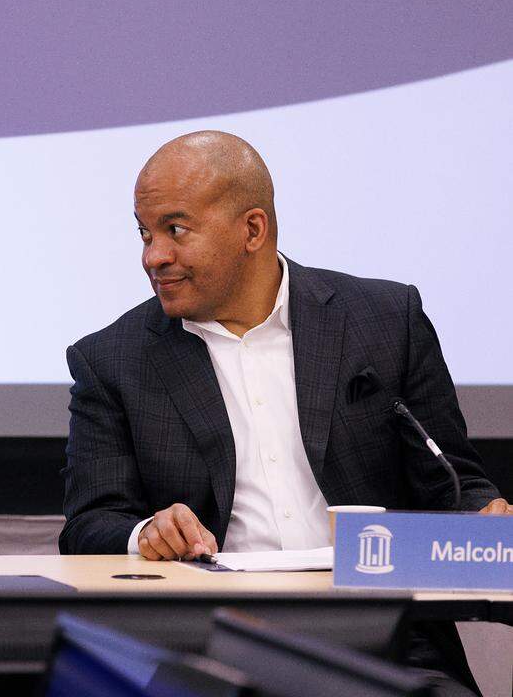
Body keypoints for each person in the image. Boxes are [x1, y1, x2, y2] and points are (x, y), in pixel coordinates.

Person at [59, 130, 509, 691]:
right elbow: (89, 526)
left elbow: (453, 483)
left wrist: (487, 515)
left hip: (387, 640)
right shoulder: (113, 359)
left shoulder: (387, 322)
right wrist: (147, 531)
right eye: (145, 234)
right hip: (211, 646)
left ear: (252, 229)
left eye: (175, 230)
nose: (155, 256)